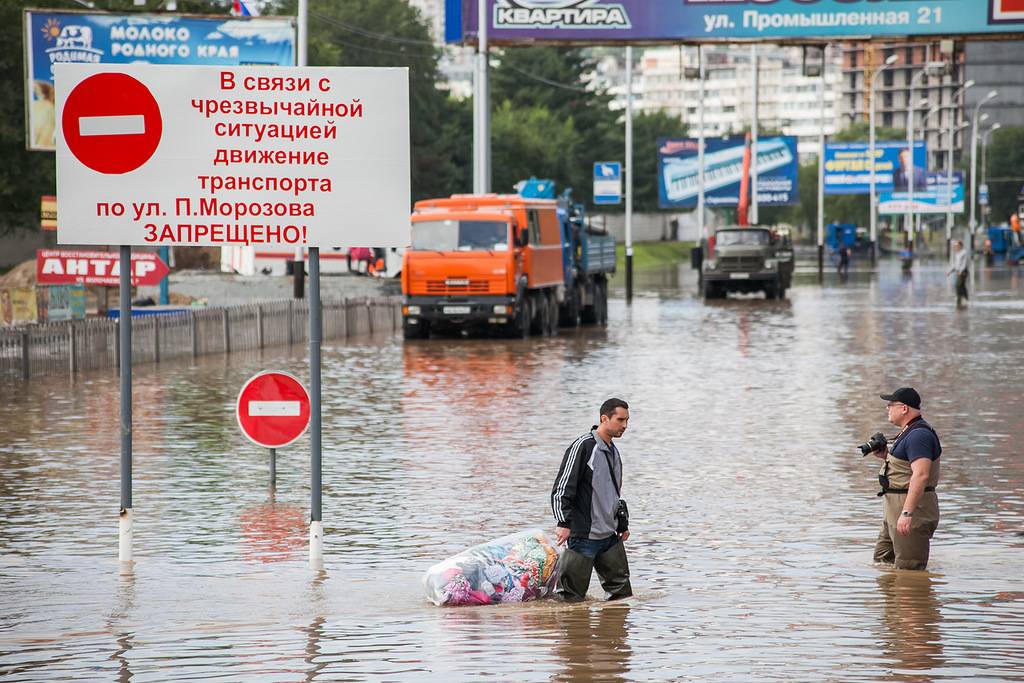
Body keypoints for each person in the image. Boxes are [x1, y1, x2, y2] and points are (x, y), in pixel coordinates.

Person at [551, 398, 632, 602]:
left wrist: (622, 524)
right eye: (620, 420)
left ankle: (614, 634)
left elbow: (612, 493)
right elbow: (561, 489)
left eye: (627, 420)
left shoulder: (613, 450)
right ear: (604, 418)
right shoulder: (583, 446)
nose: (625, 426)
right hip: (583, 536)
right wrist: (563, 523)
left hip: (610, 537)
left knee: (622, 598)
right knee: (569, 600)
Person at [871, 387, 942, 570]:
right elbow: (906, 467)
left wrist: (907, 513)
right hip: (893, 511)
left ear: (904, 408)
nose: (887, 409)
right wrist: (886, 456)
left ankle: (912, 597)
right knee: (882, 562)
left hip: (911, 511)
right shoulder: (909, 432)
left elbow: (921, 474)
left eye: (890, 405)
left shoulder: (919, 435)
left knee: (909, 570)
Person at [946, 239, 969, 308]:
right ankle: (965, 298)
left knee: (958, 285)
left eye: (957, 246)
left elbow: (964, 264)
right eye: (955, 246)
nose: (956, 247)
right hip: (958, 272)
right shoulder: (957, 254)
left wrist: (961, 271)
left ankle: (959, 302)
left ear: (961, 246)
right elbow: (955, 264)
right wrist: (949, 271)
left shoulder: (964, 253)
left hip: (963, 272)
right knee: (962, 286)